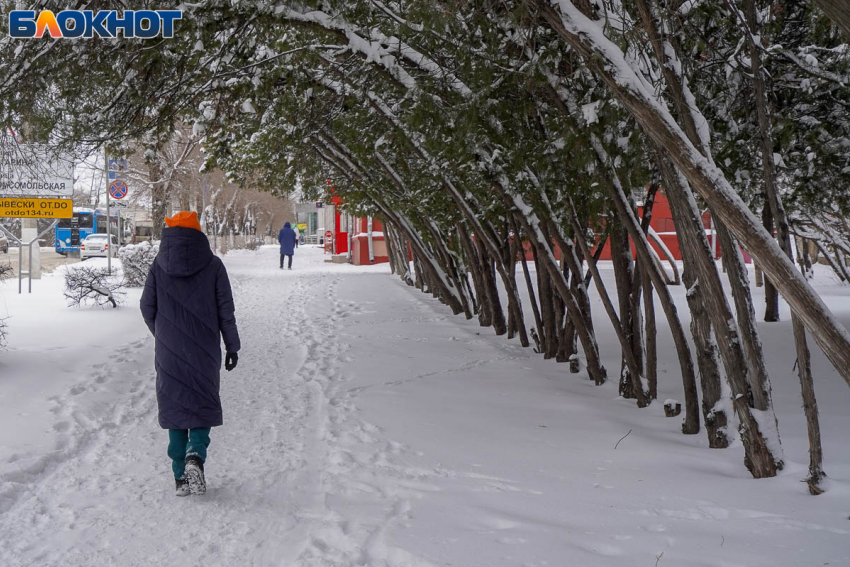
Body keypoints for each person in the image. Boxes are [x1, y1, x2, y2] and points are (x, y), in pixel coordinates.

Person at [140, 211, 241, 497]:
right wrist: (232, 346)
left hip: (169, 350)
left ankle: (180, 479)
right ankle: (195, 455)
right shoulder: (213, 265)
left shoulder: (158, 265)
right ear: (198, 232)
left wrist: (163, 334)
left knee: (174, 408)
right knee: (200, 402)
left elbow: (147, 307)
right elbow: (226, 312)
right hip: (204, 349)